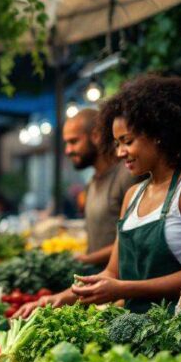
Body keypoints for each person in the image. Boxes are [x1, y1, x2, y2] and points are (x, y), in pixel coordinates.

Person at [15, 74, 181, 316]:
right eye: (116, 143)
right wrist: (56, 299)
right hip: (137, 331)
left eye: (127, 141)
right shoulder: (133, 195)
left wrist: (125, 289)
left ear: (158, 134)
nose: (119, 153)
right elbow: (111, 272)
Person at [62, 108, 138, 266]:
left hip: (121, 282)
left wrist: (87, 259)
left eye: (74, 141)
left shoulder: (126, 176)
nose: (68, 150)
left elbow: (136, 238)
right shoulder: (92, 183)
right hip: (98, 278)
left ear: (96, 136)